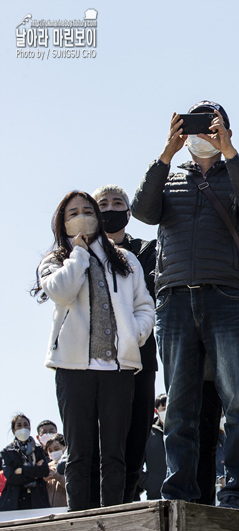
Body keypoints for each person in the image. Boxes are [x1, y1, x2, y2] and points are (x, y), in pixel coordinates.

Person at [131, 100, 239, 509]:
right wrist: (166, 154)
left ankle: (238, 492)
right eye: (195, 126)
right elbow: (142, 210)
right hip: (173, 299)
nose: (203, 133)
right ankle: (180, 494)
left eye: (213, 125)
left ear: (226, 129)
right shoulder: (171, 177)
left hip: (225, 297)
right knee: (178, 407)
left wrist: (230, 152)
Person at [32, 190, 154, 511]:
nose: (82, 216)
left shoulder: (125, 259)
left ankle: (112, 517)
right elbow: (61, 290)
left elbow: (145, 305)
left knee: (115, 451)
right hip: (73, 369)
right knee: (80, 451)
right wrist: (79, 254)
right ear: (62, 221)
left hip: (118, 368)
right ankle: (80, 517)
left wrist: (134, 334)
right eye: (73, 213)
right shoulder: (55, 260)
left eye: (88, 210)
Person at [93, 184, 158, 504]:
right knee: (101, 439)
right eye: (101, 204)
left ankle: (127, 504)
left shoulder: (148, 251)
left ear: (129, 213)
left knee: (136, 437)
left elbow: (149, 299)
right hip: (97, 361)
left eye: (117, 203)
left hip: (141, 357)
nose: (109, 208)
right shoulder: (82, 253)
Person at [0, 414, 50, 511]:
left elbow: (44, 471)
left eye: (25, 425)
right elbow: (11, 477)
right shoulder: (7, 451)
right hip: (14, 501)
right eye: (19, 425)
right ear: (14, 430)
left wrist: (22, 470)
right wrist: (35, 472)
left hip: (38, 499)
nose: (23, 428)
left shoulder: (38, 449)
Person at [140, 394, 167, 501]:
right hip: (155, 496)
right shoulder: (148, 434)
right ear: (157, 411)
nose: (167, 412)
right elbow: (137, 464)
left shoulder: (180, 433)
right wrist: (149, 484)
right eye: (164, 409)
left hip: (179, 496)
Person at [44, 434, 67, 507]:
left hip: (65, 508)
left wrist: (59, 477)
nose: (53, 452)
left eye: (56, 449)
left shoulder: (70, 464)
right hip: (48, 510)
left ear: (65, 447)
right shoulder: (47, 467)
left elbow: (73, 487)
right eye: (50, 450)